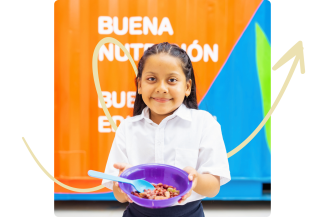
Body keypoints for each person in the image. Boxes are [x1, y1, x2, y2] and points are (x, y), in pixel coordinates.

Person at [102, 42, 231, 217]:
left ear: (187, 87)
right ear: (139, 85)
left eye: (172, 80)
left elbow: (214, 187)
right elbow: (119, 196)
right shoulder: (127, 128)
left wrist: (196, 180)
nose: (161, 88)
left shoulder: (204, 124)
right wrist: (123, 183)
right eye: (151, 79)